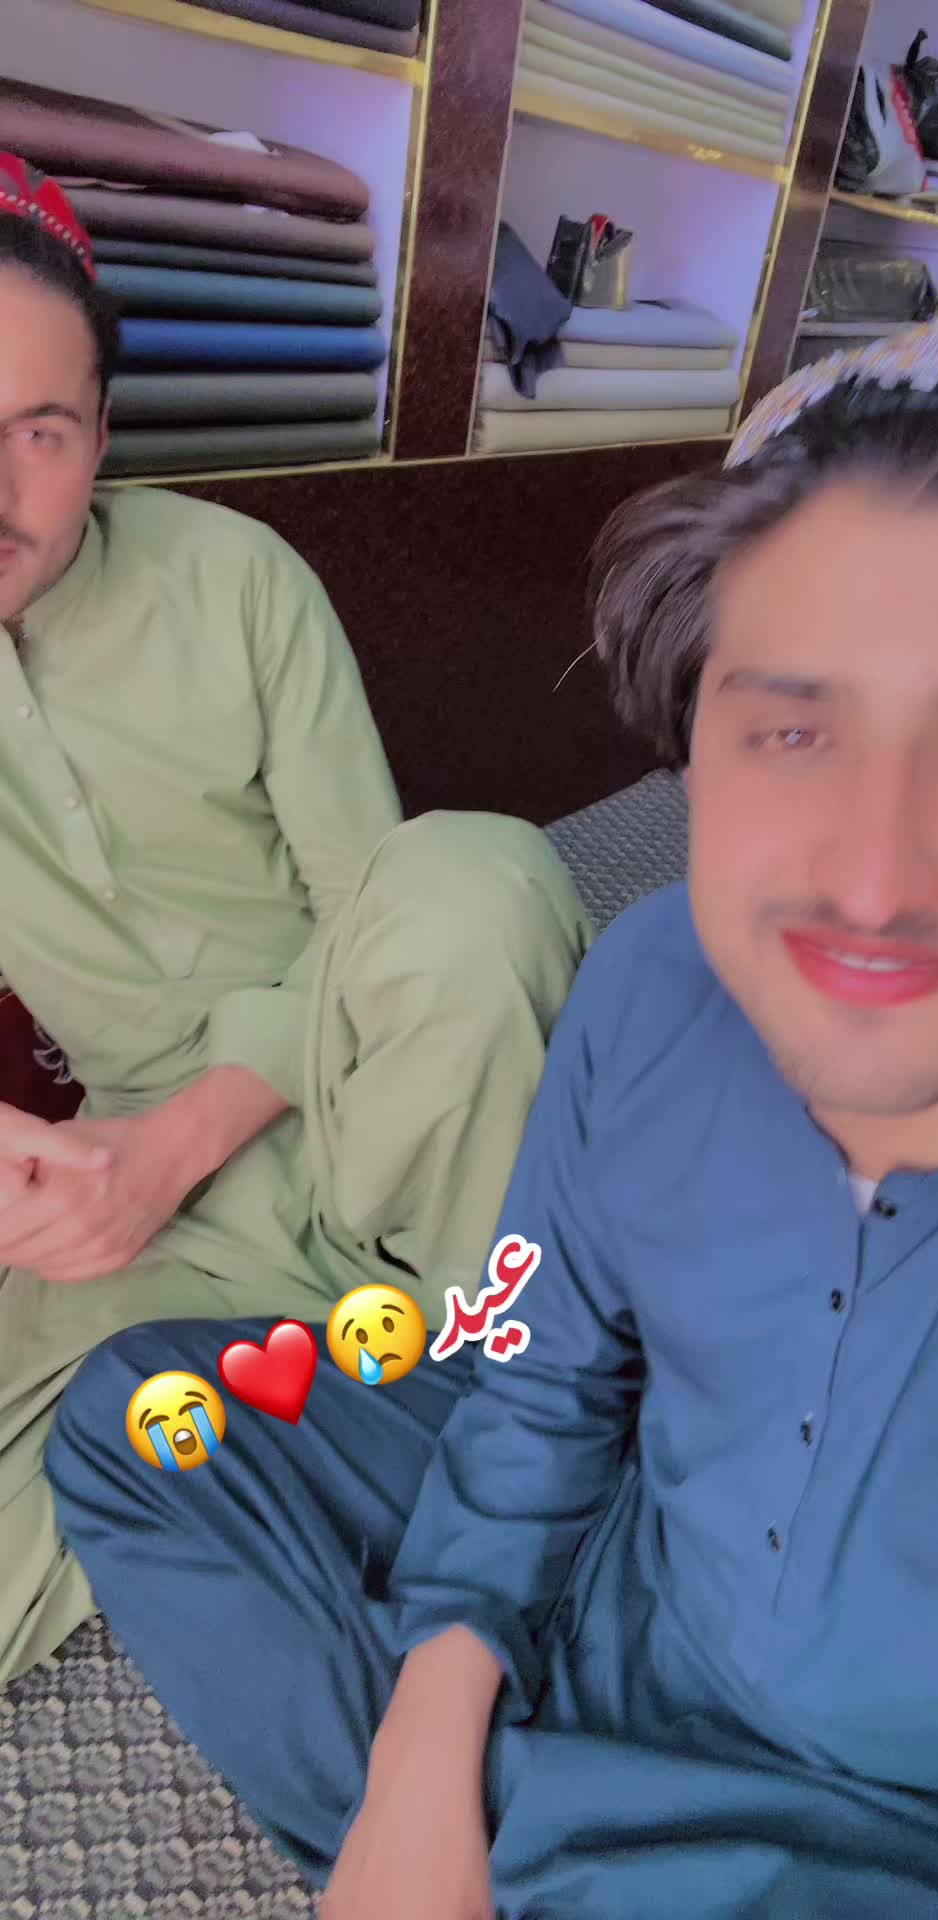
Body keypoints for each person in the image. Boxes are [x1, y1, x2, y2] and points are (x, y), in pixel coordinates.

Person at [47, 293, 938, 1920]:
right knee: (139, 1423)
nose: (871, 878)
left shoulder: (234, 585)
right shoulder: (654, 978)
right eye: (792, 726)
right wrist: (432, 1725)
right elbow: (539, 1375)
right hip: (628, 1579)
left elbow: (369, 900)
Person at [0, 152, 591, 1686]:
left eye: (35, 432)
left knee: (479, 883)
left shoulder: (237, 582)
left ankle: (493, 1382)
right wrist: (63, 1176)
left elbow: (379, 904)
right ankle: (368, 1399)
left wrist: (173, 1147)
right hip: (145, 1218)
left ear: (100, 436)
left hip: (371, 1097)